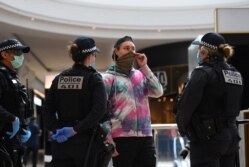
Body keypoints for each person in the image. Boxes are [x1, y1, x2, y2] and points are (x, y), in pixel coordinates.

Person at [176, 32, 244, 167]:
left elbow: (185, 107)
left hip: (208, 139)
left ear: (204, 52)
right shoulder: (235, 74)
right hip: (231, 137)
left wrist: (184, 130)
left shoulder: (202, 73)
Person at [44, 36, 107, 167]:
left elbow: (47, 108)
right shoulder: (94, 78)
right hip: (86, 143)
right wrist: (75, 129)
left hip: (62, 142)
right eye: (94, 55)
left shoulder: (59, 79)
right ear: (90, 56)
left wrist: (56, 129)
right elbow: (100, 109)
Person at [102, 36, 163, 167]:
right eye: (126, 48)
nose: (131, 51)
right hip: (121, 139)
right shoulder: (108, 78)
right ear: (116, 51)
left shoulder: (141, 75)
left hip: (145, 137)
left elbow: (158, 92)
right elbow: (102, 112)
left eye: (133, 48)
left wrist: (144, 67)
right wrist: (108, 140)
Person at [0, 39, 32, 167]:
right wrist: (12, 119)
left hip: (14, 140)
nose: (21, 56)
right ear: (4, 54)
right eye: (17, 52)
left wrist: (24, 127)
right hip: (3, 138)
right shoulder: (1, 75)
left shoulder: (12, 76)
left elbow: (16, 105)